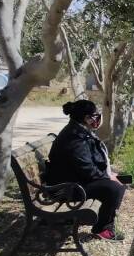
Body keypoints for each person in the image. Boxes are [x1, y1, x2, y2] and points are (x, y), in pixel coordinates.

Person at [45, 100, 126, 240]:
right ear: (87, 118)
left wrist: (108, 174)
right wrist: (106, 177)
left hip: (71, 181)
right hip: (65, 189)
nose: (97, 118)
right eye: (95, 115)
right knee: (114, 188)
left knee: (121, 181)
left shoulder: (78, 131)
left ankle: (107, 222)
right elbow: (87, 169)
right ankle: (102, 229)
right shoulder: (74, 137)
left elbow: (89, 162)